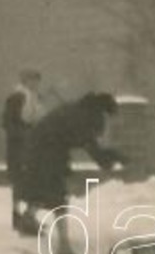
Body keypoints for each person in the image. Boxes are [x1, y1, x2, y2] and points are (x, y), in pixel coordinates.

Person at [18, 92, 125, 225]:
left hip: (36, 149)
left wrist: (108, 158)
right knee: (58, 196)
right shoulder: (88, 117)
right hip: (49, 153)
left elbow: (87, 142)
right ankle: (63, 243)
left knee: (43, 188)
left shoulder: (77, 109)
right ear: (103, 111)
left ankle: (28, 218)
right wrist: (111, 159)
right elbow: (91, 146)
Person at [3, 68, 44, 233]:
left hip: (33, 146)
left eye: (37, 80)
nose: (34, 83)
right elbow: (8, 123)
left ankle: (29, 216)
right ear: (24, 81)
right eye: (31, 80)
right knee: (20, 181)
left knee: (33, 181)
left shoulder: (36, 99)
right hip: (19, 147)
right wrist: (24, 134)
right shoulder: (16, 98)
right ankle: (17, 215)